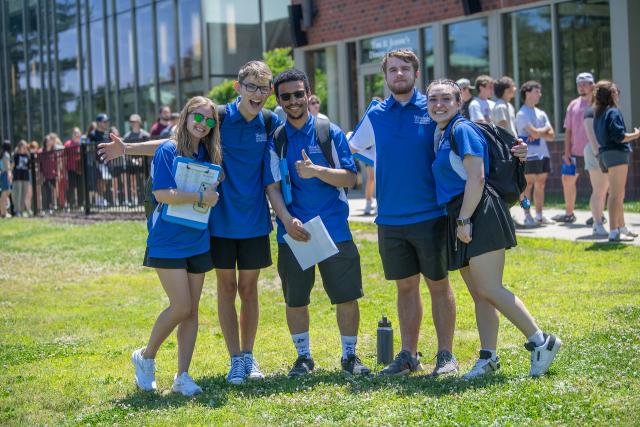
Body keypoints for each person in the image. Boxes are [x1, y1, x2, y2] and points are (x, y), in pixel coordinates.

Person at [98, 60, 283, 385]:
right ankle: (235, 360)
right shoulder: (219, 118)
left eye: (264, 87)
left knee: (249, 290)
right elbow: (175, 143)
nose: (258, 93)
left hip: (255, 221)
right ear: (238, 87)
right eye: (251, 86)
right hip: (218, 223)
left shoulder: (268, 122)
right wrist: (127, 148)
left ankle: (248, 356)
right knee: (226, 289)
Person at [427, 79, 561, 379]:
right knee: (480, 294)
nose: (439, 104)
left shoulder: (461, 129)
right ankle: (488, 357)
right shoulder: (440, 132)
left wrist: (464, 220)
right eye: (433, 99)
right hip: (459, 213)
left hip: (477, 212)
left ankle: (541, 341)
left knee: (490, 288)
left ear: (459, 101)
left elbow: (477, 178)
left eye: (446, 99)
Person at [349, 49, 459, 377]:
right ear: (385, 76)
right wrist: (379, 161)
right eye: (393, 70)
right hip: (390, 219)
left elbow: (461, 140)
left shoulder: (434, 107)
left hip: (430, 214)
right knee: (405, 287)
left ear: (416, 74)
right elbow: (353, 146)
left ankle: (446, 356)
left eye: (405, 69)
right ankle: (409, 355)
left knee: (438, 284)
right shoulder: (377, 114)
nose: (399, 74)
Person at [265, 69, 370, 377]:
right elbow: (272, 186)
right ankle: (303, 358)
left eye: (299, 94)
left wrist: (317, 171)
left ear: (308, 93)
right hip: (294, 233)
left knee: (346, 296)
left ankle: (350, 356)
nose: (293, 101)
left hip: (334, 229)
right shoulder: (277, 139)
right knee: (296, 299)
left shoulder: (329, 131)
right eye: (286, 96)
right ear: (279, 100)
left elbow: (351, 177)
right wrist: (286, 220)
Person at [131, 96, 221, 396]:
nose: (202, 124)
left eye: (209, 121)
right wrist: (200, 197)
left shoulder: (208, 153)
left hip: (197, 239)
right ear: (185, 116)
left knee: (192, 311)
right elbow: (164, 194)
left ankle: (182, 375)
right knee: (181, 306)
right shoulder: (168, 149)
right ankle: (145, 357)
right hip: (167, 241)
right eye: (198, 117)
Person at [592, 81, 640, 242]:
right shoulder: (613, 112)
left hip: (606, 155)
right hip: (616, 155)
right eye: (616, 91)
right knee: (616, 195)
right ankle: (614, 232)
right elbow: (619, 136)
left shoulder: (599, 113)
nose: (619, 94)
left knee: (618, 194)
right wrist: (636, 135)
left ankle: (621, 227)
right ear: (612, 94)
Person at [553, 72, 595, 224]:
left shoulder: (598, 104)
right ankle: (569, 214)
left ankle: (598, 215)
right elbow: (568, 131)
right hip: (574, 154)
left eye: (585, 83)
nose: (581, 87)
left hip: (594, 152)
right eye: (579, 84)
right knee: (567, 180)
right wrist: (566, 153)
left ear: (592, 85)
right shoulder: (573, 105)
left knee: (599, 184)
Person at [516, 81, 555, 226]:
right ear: (527, 92)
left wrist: (538, 132)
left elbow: (551, 135)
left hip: (543, 154)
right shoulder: (521, 113)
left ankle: (539, 215)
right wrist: (542, 131)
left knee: (541, 185)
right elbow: (534, 132)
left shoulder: (541, 113)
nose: (540, 94)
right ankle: (527, 215)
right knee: (528, 186)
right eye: (536, 91)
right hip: (528, 155)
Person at [583, 104, 609, 236]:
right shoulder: (591, 111)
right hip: (596, 152)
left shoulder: (608, 110)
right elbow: (592, 136)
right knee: (599, 190)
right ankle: (597, 224)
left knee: (603, 191)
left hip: (605, 151)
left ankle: (599, 221)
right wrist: (599, 155)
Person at [89, 114, 111, 206]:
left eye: (107, 121)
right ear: (99, 123)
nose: (106, 123)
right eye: (104, 121)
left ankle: (100, 198)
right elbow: (89, 148)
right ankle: (98, 199)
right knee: (99, 181)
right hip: (96, 163)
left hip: (107, 161)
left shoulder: (107, 133)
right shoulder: (93, 134)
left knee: (105, 180)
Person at [63, 128, 82, 209]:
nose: (77, 135)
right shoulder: (67, 144)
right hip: (71, 169)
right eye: (75, 133)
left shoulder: (82, 143)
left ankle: (81, 204)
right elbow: (63, 158)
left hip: (80, 170)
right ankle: (72, 204)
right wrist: (63, 170)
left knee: (81, 187)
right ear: (72, 134)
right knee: (71, 187)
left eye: (78, 133)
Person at [12, 140, 31, 217]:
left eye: (26, 147)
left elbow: (29, 166)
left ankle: (22, 211)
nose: (25, 148)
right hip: (17, 177)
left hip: (25, 177)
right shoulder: (15, 155)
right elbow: (12, 165)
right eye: (23, 147)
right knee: (18, 194)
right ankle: (17, 211)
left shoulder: (27, 155)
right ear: (19, 147)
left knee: (24, 194)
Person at [0, 140, 12, 218]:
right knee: (5, 193)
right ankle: (4, 213)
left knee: (3, 194)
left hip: (1, 174)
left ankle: (3, 212)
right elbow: (7, 166)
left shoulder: (1, 154)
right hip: (5, 174)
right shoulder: (7, 154)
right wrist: (9, 174)